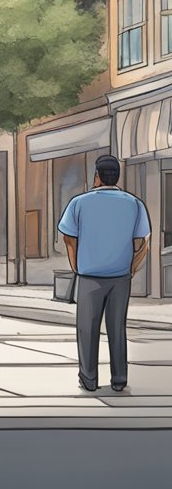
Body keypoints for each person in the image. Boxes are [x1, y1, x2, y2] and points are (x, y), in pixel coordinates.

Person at [58, 155, 150, 393]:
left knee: (87, 329)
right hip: (120, 277)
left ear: (96, 176)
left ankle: (89, 379)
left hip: (90, 276)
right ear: (117, 176)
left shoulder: (79, 202)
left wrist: (76, 265)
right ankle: (119, 379)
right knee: (117, 328)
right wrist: (131, 267)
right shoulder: (134, 203)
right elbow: (141, 242)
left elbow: (69, 237)